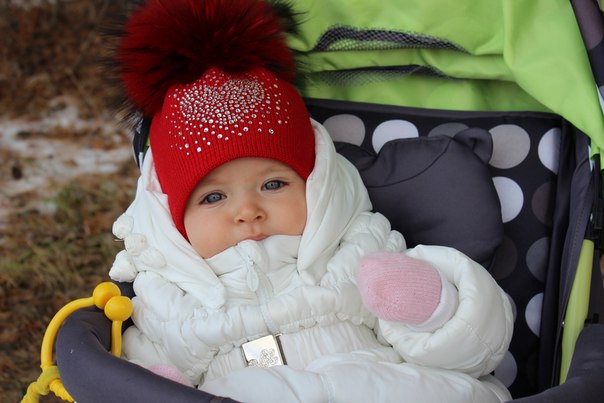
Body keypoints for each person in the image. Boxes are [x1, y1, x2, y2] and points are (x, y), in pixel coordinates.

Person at [108, 0, 514, 401]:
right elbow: (135, 370)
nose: (248, 211)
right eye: (214, 196)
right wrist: (158, 389)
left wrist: (433, 308)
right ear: (173, 219)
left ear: (317, 186)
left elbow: (475, 351)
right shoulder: (169, 300)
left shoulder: (357, 249)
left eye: (273, 185)